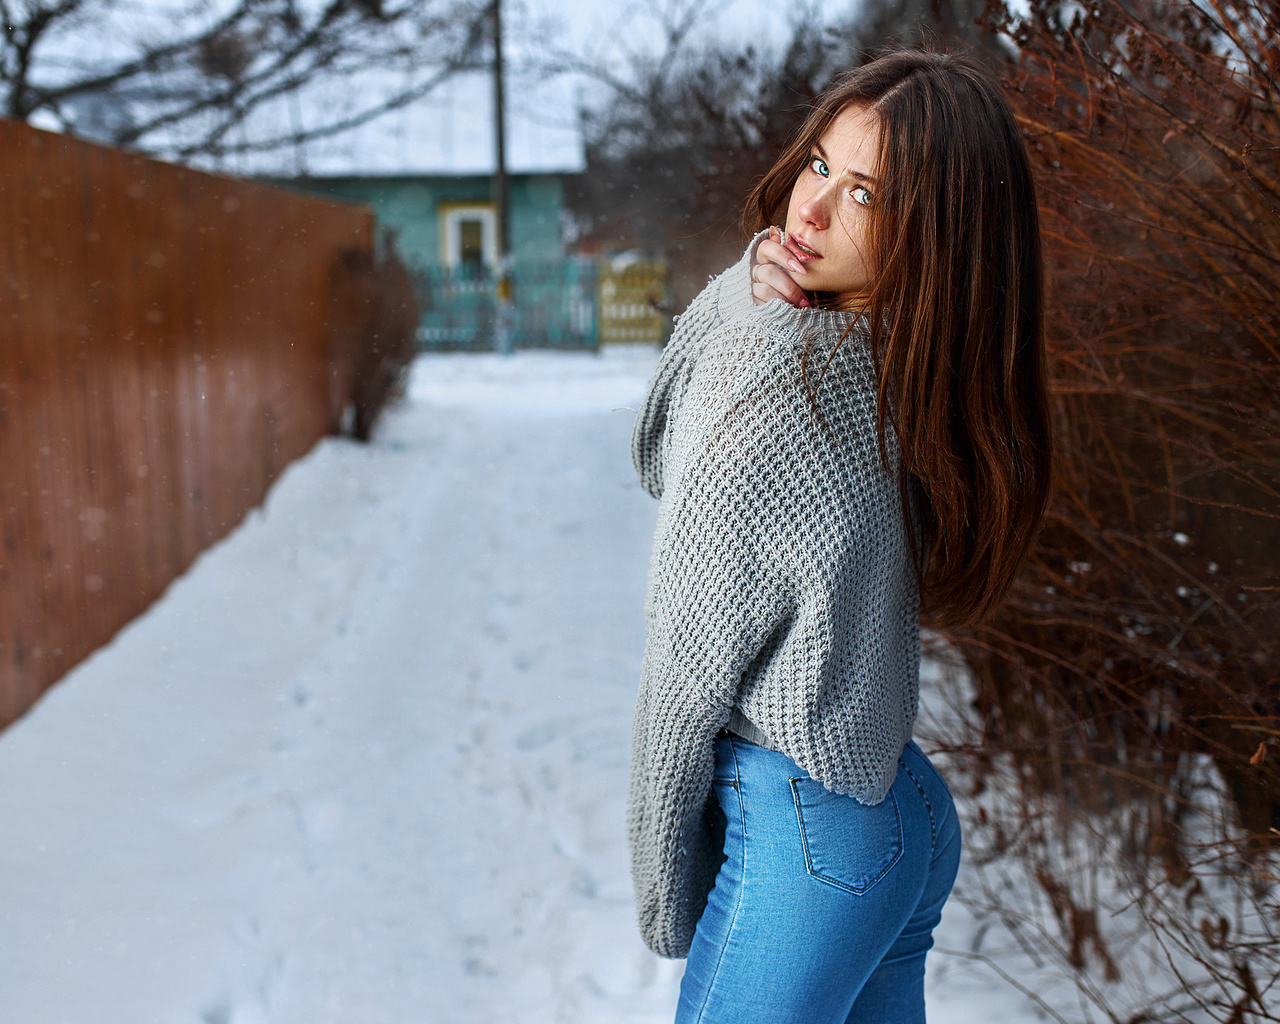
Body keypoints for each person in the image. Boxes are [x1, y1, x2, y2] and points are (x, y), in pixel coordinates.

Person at [627, 48, 1053, 1024]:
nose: (808, 211)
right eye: (818, 165)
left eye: (864, 195)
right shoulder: (915, 361)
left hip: (805, 835)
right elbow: (670, 452)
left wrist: (660, 883)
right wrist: (755, 296)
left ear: (936, 233)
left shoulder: (772, 368)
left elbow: (684, 641)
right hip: (889, 806)